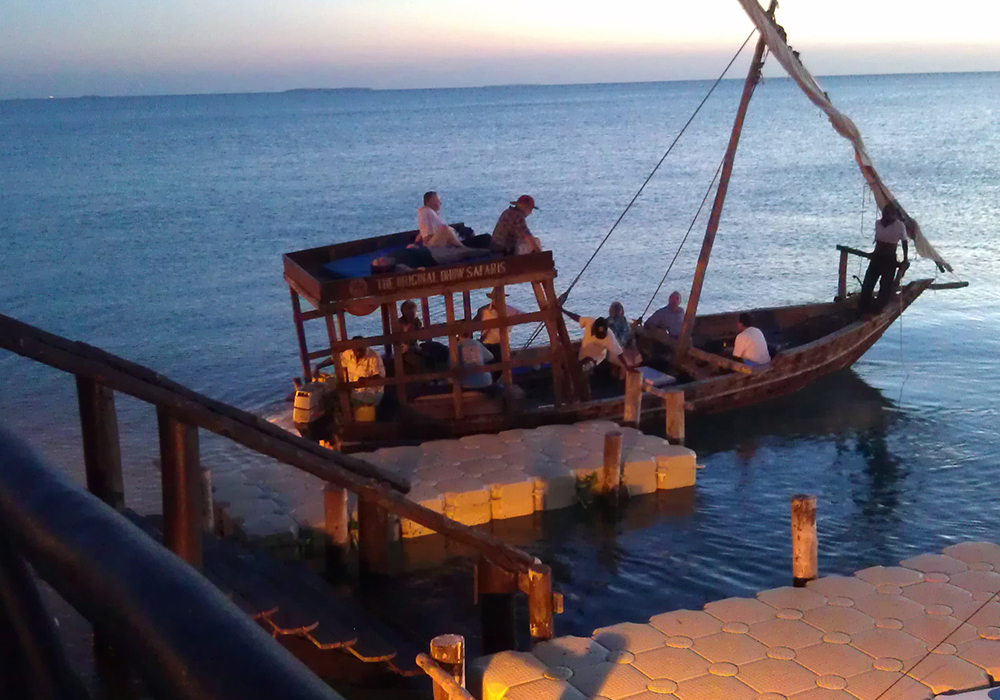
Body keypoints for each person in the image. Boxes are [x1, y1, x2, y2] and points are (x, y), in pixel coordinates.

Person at [859, 203, 909, 313]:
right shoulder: (878, 224)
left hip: (889, 258)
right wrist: (874, 253)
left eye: (888, 215)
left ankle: (878, 309)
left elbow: (904, 243)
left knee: (885, 286)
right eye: (884, 215)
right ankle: (863, 309)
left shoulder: (900, 226)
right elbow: (879, 241)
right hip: (877, 257)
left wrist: (905, 259)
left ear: (894, 215)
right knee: (868, 283)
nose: (885, 218)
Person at [561, 308, 638, 373]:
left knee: (588, 363)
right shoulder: (589, 321)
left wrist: (627, 367)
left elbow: (619, 353)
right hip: (585, 350)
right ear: (594, 328)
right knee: (579, 364)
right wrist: (563, 310)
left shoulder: (609, 336)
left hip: (597, 355)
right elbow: (577, 318)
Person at [316, 339, 386, 407]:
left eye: (361, 350)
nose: (358, 353)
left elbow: (380, 376)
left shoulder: (374, 357)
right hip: (354, 391)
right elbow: (333, 359)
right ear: (352, 349)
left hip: (372, 393)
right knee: (328, 397)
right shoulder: (348, 354)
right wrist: (318, 366)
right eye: (356, 350)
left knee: (344, 402)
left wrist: (366, 379)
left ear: (365, 347)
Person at [417, 191, 493, 250]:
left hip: (456, 239)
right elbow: (427, 237)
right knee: (486, 238)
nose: (440, 203)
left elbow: (424, 230)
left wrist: (417, 241)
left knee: (473, 233)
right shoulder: (426, 212)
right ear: (431, 202)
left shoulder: (430, 213)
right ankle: (465, 249)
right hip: (454, 244)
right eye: (437, 201)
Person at [475, 288, 524, 359]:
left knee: (503, 364)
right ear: (492, 299)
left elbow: (524, 317)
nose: (497, 300)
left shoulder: (510, 310)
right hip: (486, 346)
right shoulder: (483, 311)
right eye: (496, 298)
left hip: (502, 345)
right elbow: (474, 324)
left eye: (500, 298)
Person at [454, 331, 503, 398]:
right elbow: (490, 357)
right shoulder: (476, 343)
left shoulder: (456, 347)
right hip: (484, 382)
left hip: (466, 384)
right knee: (502, 390)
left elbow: (450, 364)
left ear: (458, 336)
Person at [607, 301, 643, 368]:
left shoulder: (623, 320)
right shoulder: (609, 324)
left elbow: (626, 331)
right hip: (615, 350)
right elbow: (618, 341)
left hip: (626, 348)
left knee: (638, 359)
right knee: (627, 363)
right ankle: (625, 376)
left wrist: (635, 324)